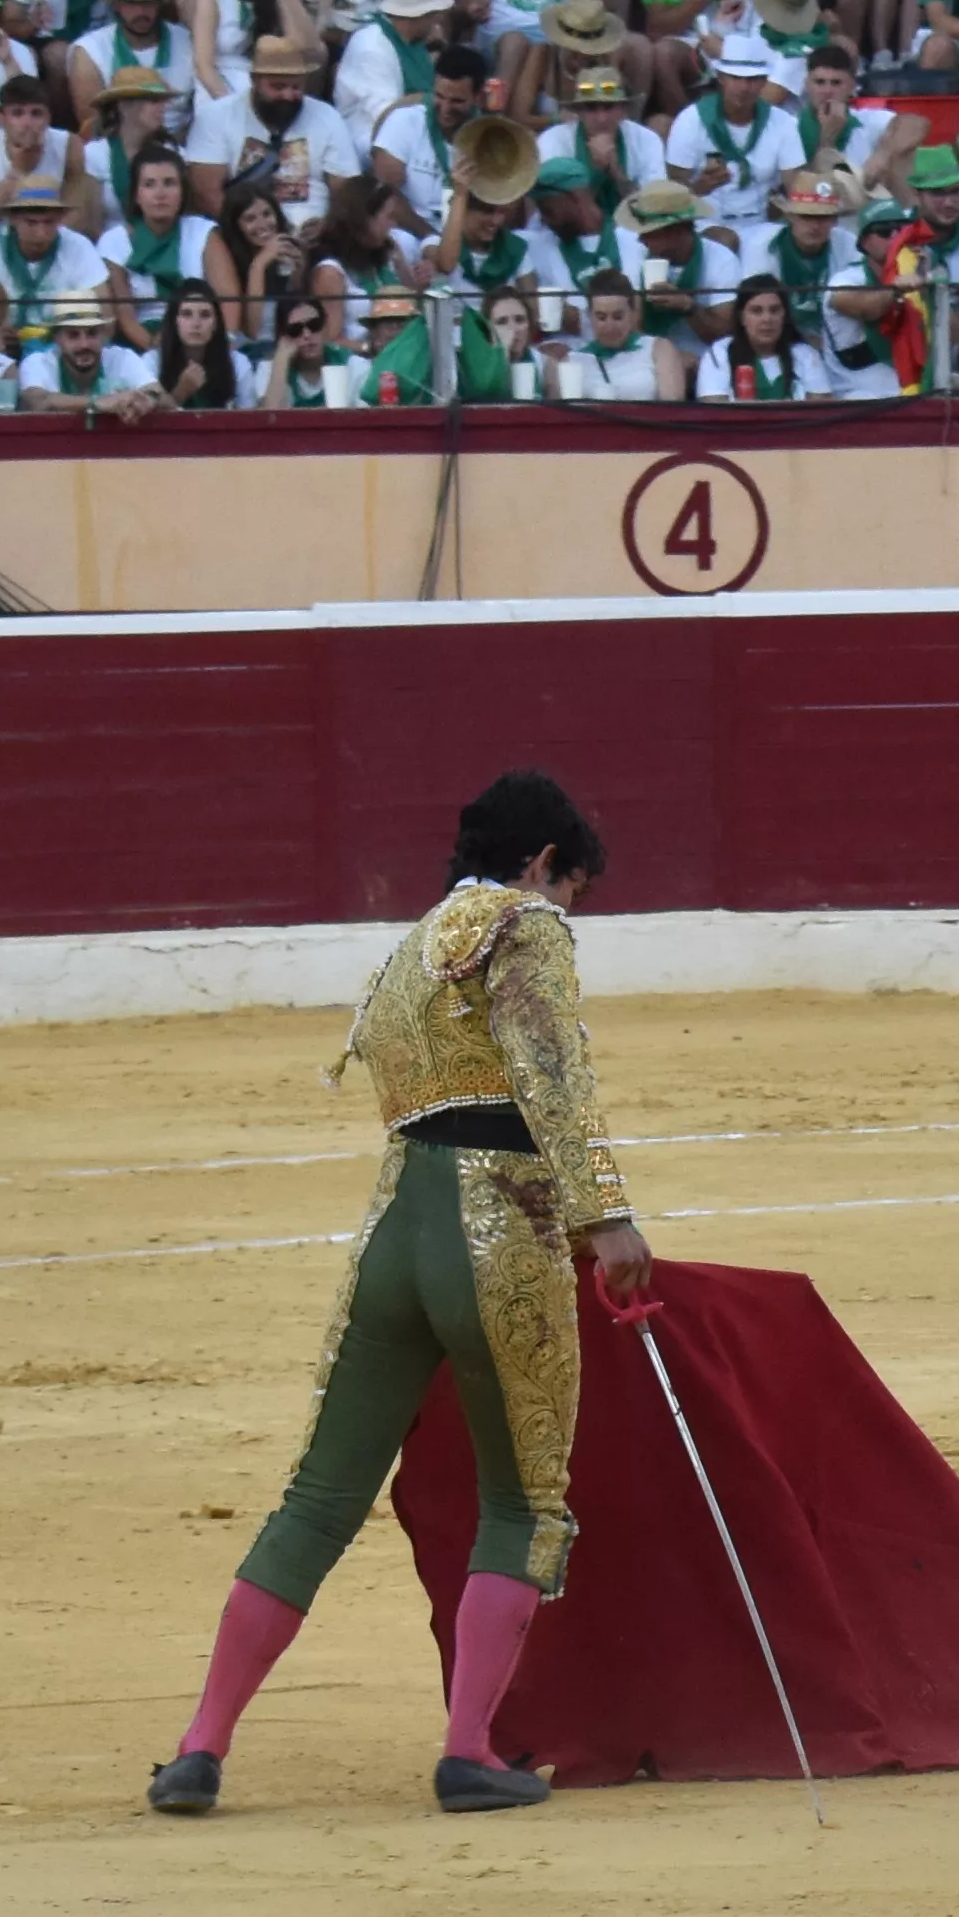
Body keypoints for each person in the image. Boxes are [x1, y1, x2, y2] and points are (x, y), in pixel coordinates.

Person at [154, 769, 658, 1822]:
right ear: (541, 864)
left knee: (317, 1497)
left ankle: (200, 1747)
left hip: (394, 1226)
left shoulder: (410, 948)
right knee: (522, 1501)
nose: (569, 910)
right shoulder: (526, 928)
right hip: (497, 1230)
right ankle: (468, 1751)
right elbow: (551, 1075)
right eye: (572, 887)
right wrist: (603, 1217)